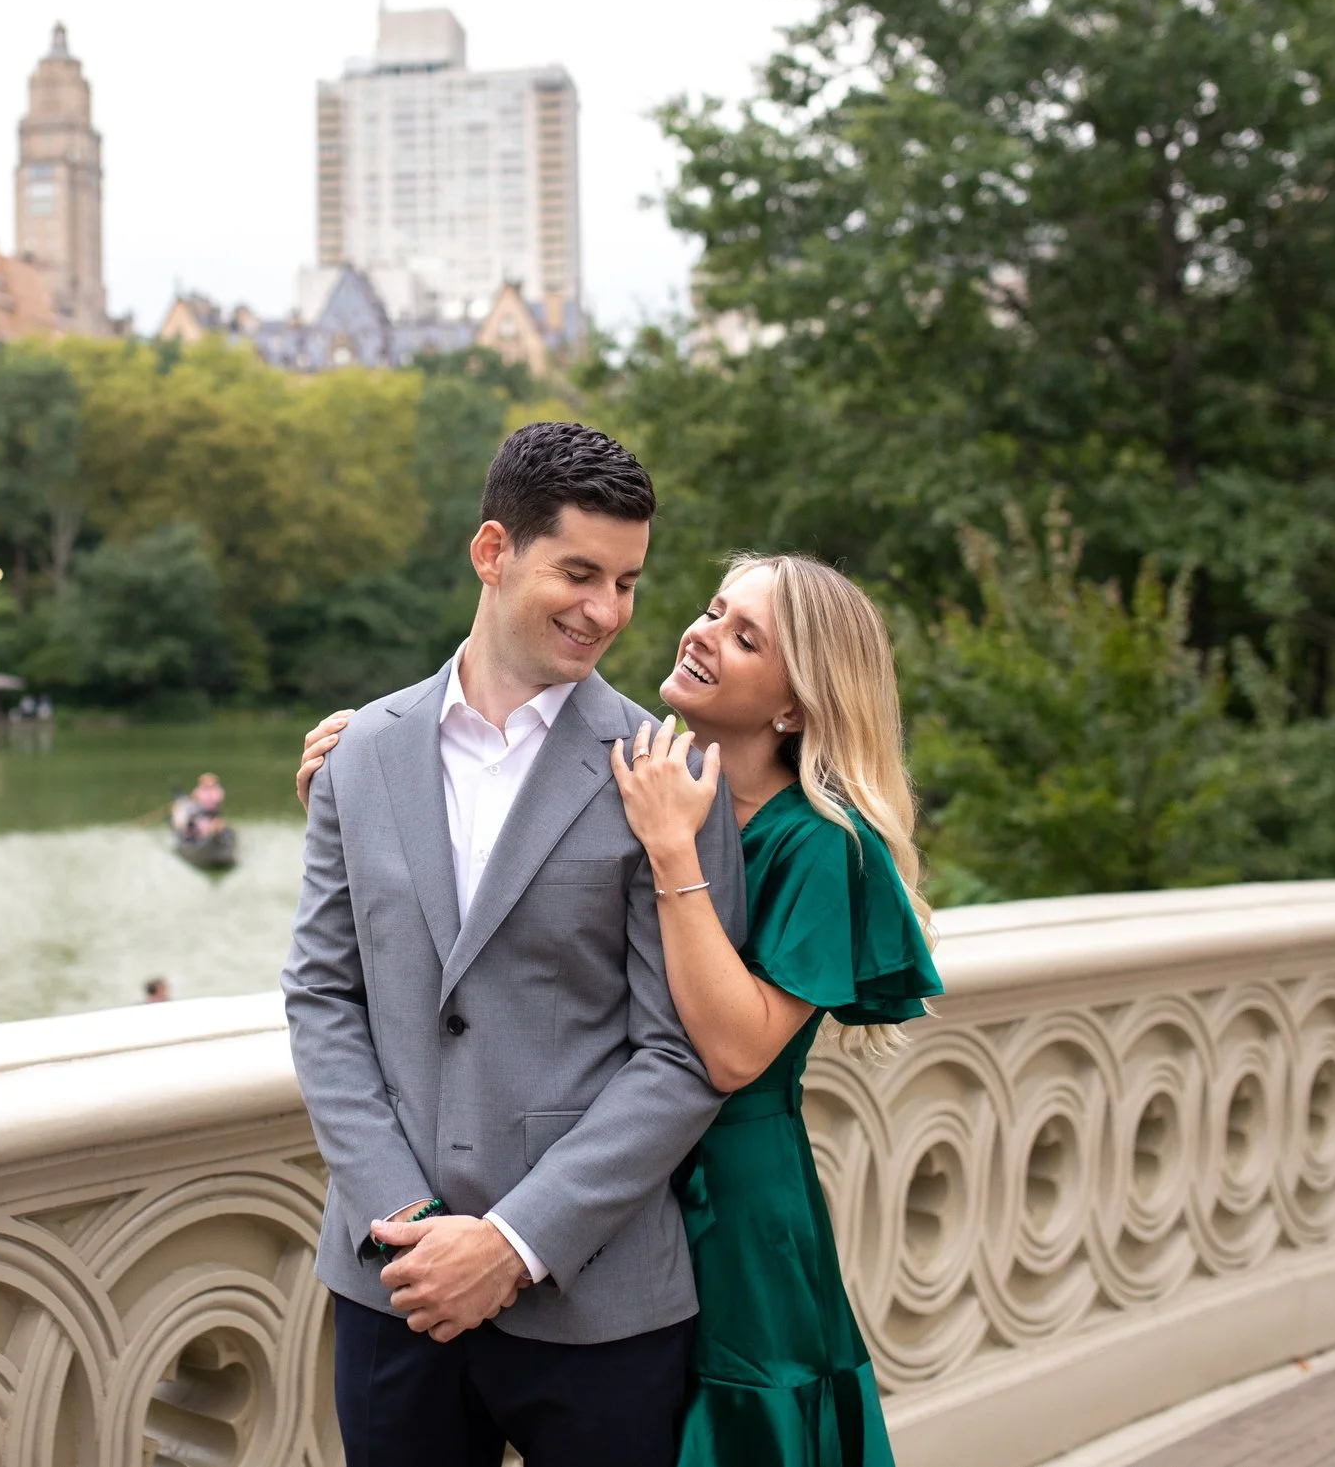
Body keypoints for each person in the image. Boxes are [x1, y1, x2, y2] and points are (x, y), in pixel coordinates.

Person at [297, 551, 942, 1466]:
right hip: (602, 1185)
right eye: (714, 609)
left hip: (726, 1210)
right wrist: (372, 788)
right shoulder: (641, 770)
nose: (702, 631)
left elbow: (724, 1055)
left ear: (794, 705)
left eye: (744, 634)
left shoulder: (816, 844)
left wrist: (676, 850)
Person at [280, 421, 736, 1467]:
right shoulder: (359, 756)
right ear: (493, 553)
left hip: (600, 1297)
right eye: (579, 572)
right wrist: (403, 1215)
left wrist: (512, 1241)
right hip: (392, 1288)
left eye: (626, 582)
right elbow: (322, 997)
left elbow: (681, 1053)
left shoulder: (664, 775)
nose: (607, 611)